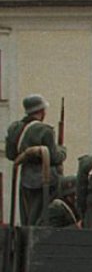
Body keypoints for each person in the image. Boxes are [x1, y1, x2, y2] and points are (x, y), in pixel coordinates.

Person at [5, 94, 67, 225]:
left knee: (26, 215)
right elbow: (54, 158)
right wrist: (62, 150)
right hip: (45, 180)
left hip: (25, 177)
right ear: (41, 111)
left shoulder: (14, 128)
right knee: (42, 218)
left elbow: (11, 155)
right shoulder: (45, 130)